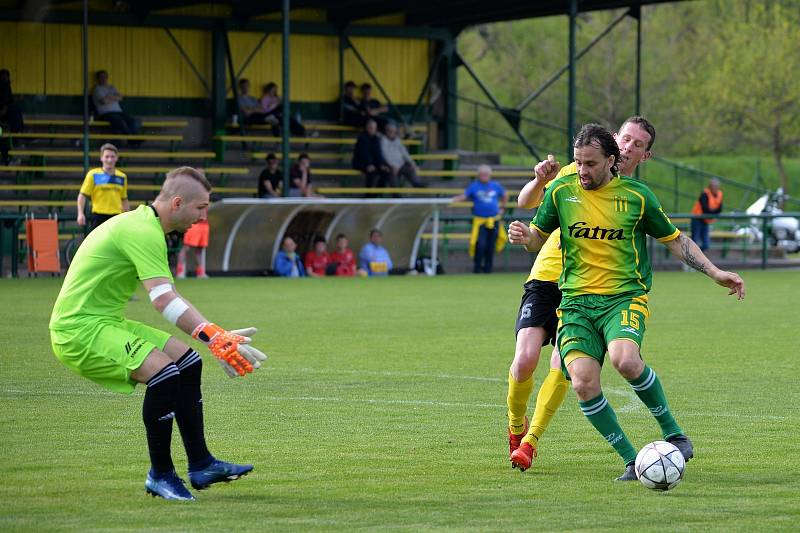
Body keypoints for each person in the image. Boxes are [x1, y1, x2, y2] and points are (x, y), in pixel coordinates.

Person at [508, 123, 745, 481]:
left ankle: (675, 434)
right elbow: (536, 238)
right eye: (578, 162)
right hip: (574, 303)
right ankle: (634, 462)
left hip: (623, 298)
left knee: (624, 359)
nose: (582, 171)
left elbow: (676, 240)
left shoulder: (636, 196)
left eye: (590, 164)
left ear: (610, 160)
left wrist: (714, 272)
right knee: (583, 383)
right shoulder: (561, 191)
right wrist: (525, 236)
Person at [49, 166, 267, 501]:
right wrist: (214, 336)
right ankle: (160, 475)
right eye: (201, 208)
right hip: (78, 329)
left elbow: (170, 296)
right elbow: (163, 299)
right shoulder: (143, 231)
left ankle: (201, 464)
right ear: (178, 203)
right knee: (164, 375)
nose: (203, 216)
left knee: (188, 362)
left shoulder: (144, 224)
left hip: (103, 321)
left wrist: (215, 334)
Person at [506, 116, 657, 472]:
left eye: (638, 144)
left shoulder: (632, 197)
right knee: (525, 360)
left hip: (592, 292)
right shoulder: (577, 170)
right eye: (626, 138)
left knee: (564, 366)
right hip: (547, 277)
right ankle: (516, 425)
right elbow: (526, 201)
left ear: (645, 156)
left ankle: (531, 442)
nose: (629, 146)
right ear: (614, 139)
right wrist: (540, 178)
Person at [451, 165, 508, 273]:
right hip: (480, 221)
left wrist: (502, 208)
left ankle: (488, 269)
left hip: (493, 220)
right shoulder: (474, 186)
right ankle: (477, 268)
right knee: (480, 244)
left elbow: (505, 195)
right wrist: (452, 201)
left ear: (490, 175)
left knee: (491, 245)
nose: (484, 176)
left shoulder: (495, 185)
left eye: (486, 174)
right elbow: (464, 196)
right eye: (482, 174)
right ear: (478, 175)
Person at [76, 143, 130, 232]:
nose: (109, 160)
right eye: (107, 156)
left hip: (116, 217)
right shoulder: (93, 175)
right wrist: (80, 213)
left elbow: (124, 199)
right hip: (98, 216)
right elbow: (82, 195)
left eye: (112, 157)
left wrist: (128, 216)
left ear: (116, 158)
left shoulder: (122, 177)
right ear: (101, 158)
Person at [92, 70, 141, 137]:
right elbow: (104, 101)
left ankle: (134, 139)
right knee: (121, 122)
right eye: (101, 77)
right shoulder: (97, 89)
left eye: (105, 77)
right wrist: (114, 97)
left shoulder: (112, 87)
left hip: (119, 112)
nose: (103, 79)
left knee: (133, 121)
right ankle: (132, 140)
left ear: (107, 78)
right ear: (98, 78)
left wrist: (109, 97)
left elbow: (121, 98)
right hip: (106, 114)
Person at [381, 122, 424, 188]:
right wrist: (393, 166)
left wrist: (412, 163)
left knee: (411, 168)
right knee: (392, 172)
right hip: (390, 165)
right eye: (389, 131)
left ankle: (417, 184)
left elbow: (405, 153)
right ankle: (396, 194)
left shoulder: (398, 140)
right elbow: (385, 155)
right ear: (386, 132)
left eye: (393, 131)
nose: (391, 133)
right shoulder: (383, 140)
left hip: (401, 164)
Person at [352, 119, 390, 191]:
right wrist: (368, 164)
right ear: (367, 127)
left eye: (374, 128)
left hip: (374, 163)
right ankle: (368, 195)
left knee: (386, 172)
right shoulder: (362, 138)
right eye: (371, 127)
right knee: (371, 173)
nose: (373, 129)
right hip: (361, 163)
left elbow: (378, 153)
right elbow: (363, 153)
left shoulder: (376, 138)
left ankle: (376, 194)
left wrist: (381, 164)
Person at [691, 178, 723, 252]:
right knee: (695, 241)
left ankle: (699, 256)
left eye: (716, 186)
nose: (715, 188)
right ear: (710, 186)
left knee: (706, 244)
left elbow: (719, 209)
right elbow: (705, 209)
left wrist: (712, 213)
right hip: (697, 219)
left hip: (706, 220)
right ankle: (692, 257)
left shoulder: (719, 194)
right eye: (713, 186)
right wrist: (713, 213)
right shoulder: (705, 194)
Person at [0, 68, 24, 165]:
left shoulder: (7, 87)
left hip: (4, 120)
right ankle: (8, 160)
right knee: (3, 140)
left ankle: (8, 160)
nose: (5, 78)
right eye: (3, 76)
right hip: (3, 120)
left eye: (6, 76)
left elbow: (9, 101)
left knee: (4, 139)